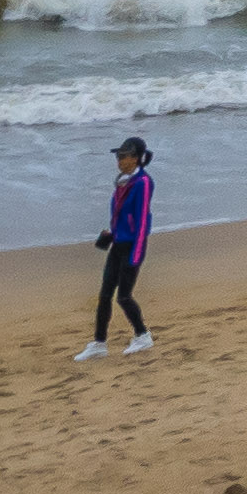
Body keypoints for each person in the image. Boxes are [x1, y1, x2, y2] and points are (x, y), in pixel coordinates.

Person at [81, 135, 155, 357]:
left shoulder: (142, 182)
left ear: (136, 159)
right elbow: (121, 216)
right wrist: (111, 234)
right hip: (118, 245)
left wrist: (136, 254)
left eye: (124, 156)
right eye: (119, 156)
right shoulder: (123, 181)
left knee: (124, 296)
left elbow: (142, 221)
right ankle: (99, 344)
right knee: (104, 296)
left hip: (132, 248)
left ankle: (143, 336)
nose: (119, 160)